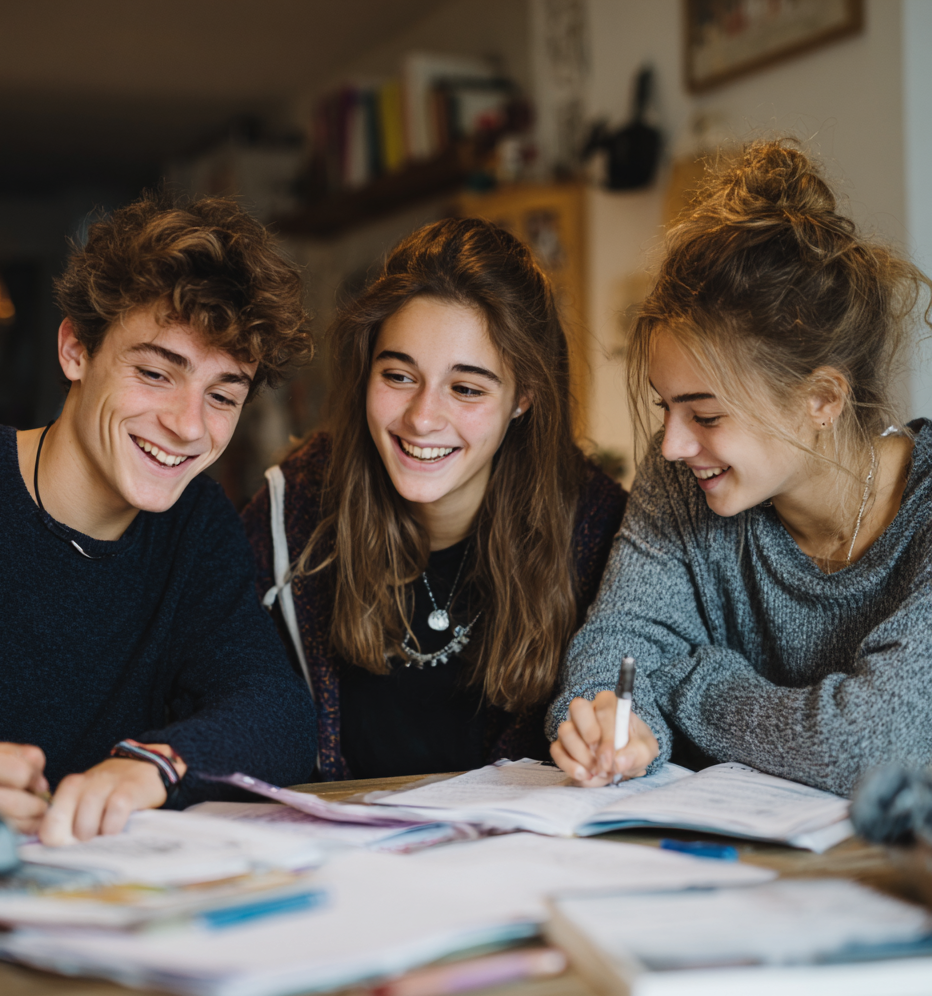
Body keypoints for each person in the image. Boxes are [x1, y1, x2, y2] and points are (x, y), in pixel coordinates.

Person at [0, 192, 318, 844]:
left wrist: (155, 767)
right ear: (76, 350)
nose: (188, 426)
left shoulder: (197, 525)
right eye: (156, 373)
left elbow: (278, 713)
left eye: (222, 395)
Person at [548, 141, 932, 799]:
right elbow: (610, 657)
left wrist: (689, 683)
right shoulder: (686, 482)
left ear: (822, 399)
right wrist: (613, 724)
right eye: (665, 407)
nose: (670, 445)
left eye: (705, 414)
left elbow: (874, 744)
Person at [244, 218, 626, 780]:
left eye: (466, 388)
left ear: (523, 397)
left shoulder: (598, 529)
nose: (422, 418)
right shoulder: (293, 506)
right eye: (399, 376)